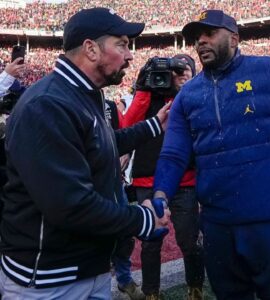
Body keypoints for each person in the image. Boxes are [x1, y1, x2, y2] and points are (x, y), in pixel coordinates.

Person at [0, 8, 170, 299]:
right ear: (91, 49)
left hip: (87, 268)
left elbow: (98, 145)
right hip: (50, 282)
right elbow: (70, 205)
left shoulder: (82, 92)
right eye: (122, 44)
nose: (130, 56)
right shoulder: (48, 104)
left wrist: (154, 125)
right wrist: (141, 220)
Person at [153, 9, 270, 300]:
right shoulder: (188, 95)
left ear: (234, 38)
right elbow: (173, 155)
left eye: (209, 34)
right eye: (197, 37)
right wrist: (160, 194)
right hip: (219, 226)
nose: (200, 42)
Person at [123, 54, 204, 300]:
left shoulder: (194, 95)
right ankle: (151, 293)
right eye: (175, 73)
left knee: (189, 241)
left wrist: (187, 88)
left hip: (185, 181)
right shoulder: (150, 95)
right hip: (147, 180)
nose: (178, 77)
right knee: (150, 243)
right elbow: (127, 125)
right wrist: (144, 88)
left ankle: (195, 287)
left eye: (184, 71)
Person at [105, 99, 144, 299]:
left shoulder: (109, 106)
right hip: (87, 183)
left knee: (124, 232)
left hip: (114, 181)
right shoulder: (69, 100)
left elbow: (123, 133)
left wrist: (126, 153)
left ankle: (124, 279)